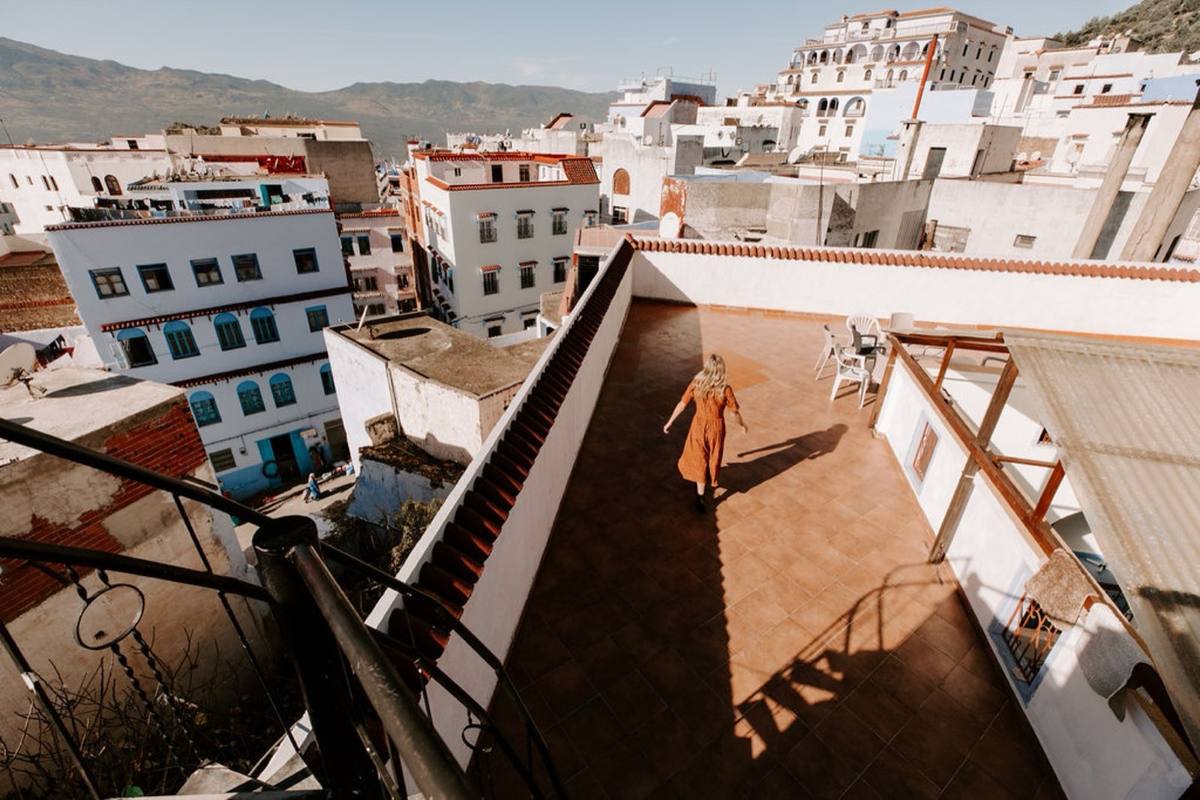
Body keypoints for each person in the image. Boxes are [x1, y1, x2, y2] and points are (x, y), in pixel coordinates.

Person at [663, 353, 748, 511]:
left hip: (698, 425)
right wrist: (742, 425)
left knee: (699, 457)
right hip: (717, 428)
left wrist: (670, 422)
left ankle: (700, 497)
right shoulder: (725, 389)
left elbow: (682, 403)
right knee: (712, 457)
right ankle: (706, 482)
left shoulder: (697, 383)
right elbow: (734, 412)